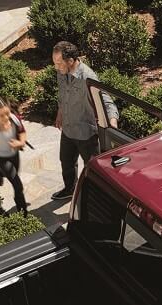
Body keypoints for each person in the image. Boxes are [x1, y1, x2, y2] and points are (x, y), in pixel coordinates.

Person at [50, 41, 118, 200]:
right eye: (54, 63)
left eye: (59, 63)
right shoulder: (61, 72)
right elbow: (62, 95)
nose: (56, 67)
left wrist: (112, 125)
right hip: (68, 128)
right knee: (66, 162)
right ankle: (69, 189)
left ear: (70, 60)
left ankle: (98, 199)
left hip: (86, 133)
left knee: (93, 170)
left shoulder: (88, 77)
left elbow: (106, 100)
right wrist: (60, 113)